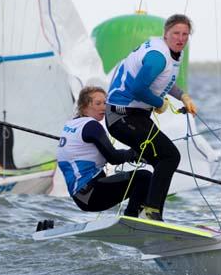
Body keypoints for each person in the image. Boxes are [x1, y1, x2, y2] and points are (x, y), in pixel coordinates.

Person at [105, 14, 197, 221]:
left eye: (185, 34)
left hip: (135, 116)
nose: (180, 38)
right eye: (176, 33)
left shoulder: (171, 53)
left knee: (160, 159)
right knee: (170, 156)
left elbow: (164, 81)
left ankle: (133, 214)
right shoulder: (158, 56)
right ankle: (152, 212)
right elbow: (138, 89)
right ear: (166, 34)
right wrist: (160, 103)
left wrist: (183, 96)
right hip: (121, 117)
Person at [56, 86, 152, 217]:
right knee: (144, 177)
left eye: (105, 103)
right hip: (92, 194)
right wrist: (134, 154)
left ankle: (137, 217)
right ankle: (132, 217)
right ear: (84, 106)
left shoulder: (71, 125)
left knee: (132, 177)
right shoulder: (91, 126)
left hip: (81, 197)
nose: (104, 107)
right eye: (98, 103)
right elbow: (114, 158)